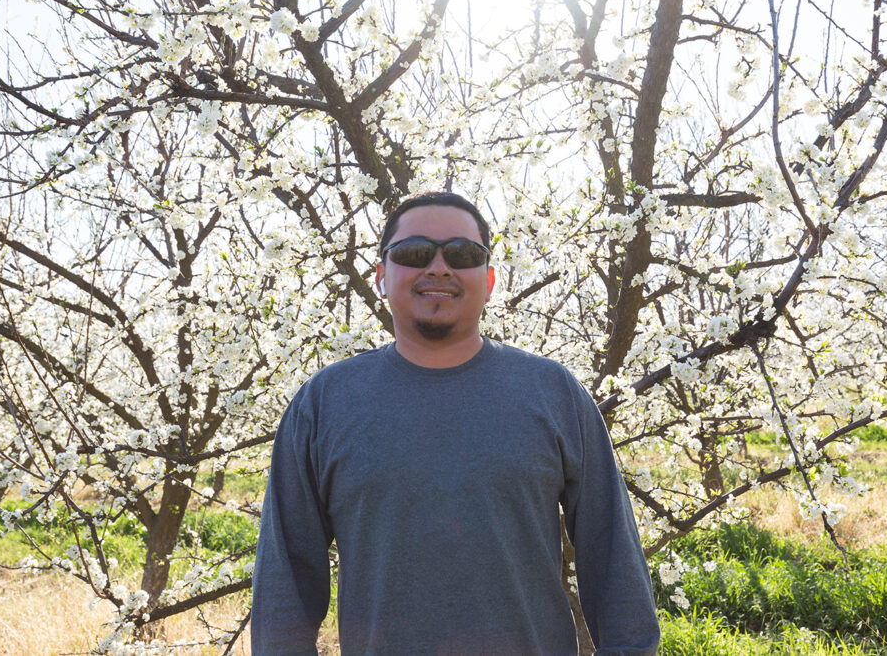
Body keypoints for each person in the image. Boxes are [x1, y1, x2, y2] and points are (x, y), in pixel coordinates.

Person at [252, 192, 660, 655]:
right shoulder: (324, 404)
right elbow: (284, 586)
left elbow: (613, 559)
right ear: (381, 277)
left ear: (487, 279)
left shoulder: (554, 393)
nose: (439, 267)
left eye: (463, 254)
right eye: (414, 252)